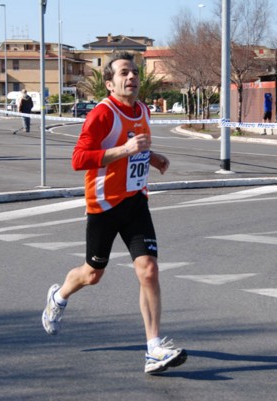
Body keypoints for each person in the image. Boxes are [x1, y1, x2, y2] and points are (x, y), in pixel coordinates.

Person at [41, 51, 187, 375]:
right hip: (104, 206)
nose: (131, 77)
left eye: (134, 72)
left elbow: (135, 147)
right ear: (109, 83)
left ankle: (154, 348)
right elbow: (79, 159)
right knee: (93, 274)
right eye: (123, 73)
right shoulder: (102, 114)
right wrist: (126, 151)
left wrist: (153, 157)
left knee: (148, 270)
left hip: (135, 201)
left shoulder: (144, 110)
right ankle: (60, 295)